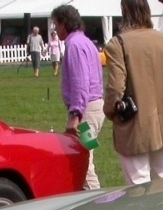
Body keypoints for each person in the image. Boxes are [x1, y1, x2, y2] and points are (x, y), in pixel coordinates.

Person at [102, 0, 163, 185]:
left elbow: (116, 87)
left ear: (124, 12)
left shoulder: (118, 44)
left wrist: (110, 110)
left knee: (138, 184)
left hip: (135, 123)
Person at [52, 5, 105, 189]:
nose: (55, 29)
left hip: (85, 111)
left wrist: (75, 115)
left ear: (64, 24)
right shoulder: (86, 42)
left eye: (56, 25)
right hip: (94, 106)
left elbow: (80, 82)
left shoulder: (74, 45)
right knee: (87, 157)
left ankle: (97, 205)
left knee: (83, 163)